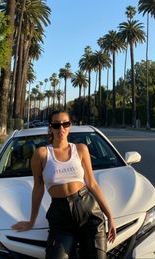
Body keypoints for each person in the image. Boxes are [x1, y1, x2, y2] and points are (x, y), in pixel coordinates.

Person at [12, 110, 116, 258]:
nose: (61, 128)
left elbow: (92, 184)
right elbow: (38, 189)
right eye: (56, 125)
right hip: (60, 217)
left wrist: (109, 216)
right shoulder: (41, 154)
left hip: (89, 212)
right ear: (50, 127)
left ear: (69, 126)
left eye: (65, 124)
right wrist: (31, 221)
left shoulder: (81, 149)